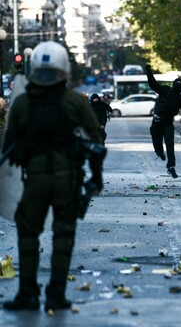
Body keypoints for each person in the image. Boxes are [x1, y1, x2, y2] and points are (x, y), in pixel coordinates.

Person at [2, 41, 104, 312]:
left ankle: (28, 294)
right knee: (63, 235)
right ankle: (56, 294)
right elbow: (97, 142)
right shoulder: (73, 101)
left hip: (34, 179)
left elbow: (9, 145)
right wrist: (96, 178)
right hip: (67, 179)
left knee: (27, 235)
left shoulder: (22, 103)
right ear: (64, 68)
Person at [145, 64, 181, 178]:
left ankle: (171, 167)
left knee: (170, 145)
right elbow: (153, 84)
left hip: (168, 123)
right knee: (156, 140)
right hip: (157, 121)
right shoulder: (165, 90)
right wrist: (148, 71)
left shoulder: (180, 99)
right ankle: (159, 152)